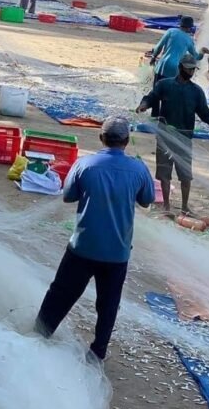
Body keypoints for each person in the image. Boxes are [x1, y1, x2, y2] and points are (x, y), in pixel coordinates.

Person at [35, 116, 155, 364]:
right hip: (117, 251)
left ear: (101, 138)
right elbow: (146, 200)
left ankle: (40, 334)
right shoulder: (139, 169)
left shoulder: (85, 164)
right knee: (108, 304)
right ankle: (98, 351)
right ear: (127, 141)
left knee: (61, 293)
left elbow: (68, 196)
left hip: (83, 246)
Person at [137, 54, 209, 216]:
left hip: (184, 138)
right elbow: (151, 98)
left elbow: (205, 113)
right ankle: (166, 205)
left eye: (193, 69)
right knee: (164, 173)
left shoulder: (196, 92)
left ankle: (185, 206)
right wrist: (144, 105)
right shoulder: (165, 85)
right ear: (180, 68)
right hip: (164, 135)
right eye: (188, 69)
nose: (191, 72)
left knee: (185, 175)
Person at [149, 15, 203, 115]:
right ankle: (165, 117)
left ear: (180, 25)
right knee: (169, 95)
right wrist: (202, 53)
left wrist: (153, 57)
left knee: (156, 93)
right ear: (190, 27)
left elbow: (159, 46)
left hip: (162, 65)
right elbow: (195, 56)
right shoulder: (189, 40)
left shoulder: (170, 31)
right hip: (176, 69)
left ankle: (154, 116)